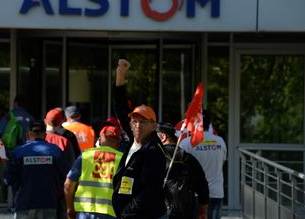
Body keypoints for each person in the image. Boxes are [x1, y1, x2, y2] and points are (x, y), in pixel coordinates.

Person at [112, 59, 167, 218]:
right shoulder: (133, 139)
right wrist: (120, 74)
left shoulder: (153, 151)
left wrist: (127, 213)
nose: (138, 125)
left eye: (143, 121)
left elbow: (149, 191)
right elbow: (121, 106)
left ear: (154, 125)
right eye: (134, 121)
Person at [4, 120, 70, 219]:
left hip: (24, 204)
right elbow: (65, 177)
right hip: (48, 203)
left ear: (27, 135)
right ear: (45, 135)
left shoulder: (17, 152)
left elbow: (7, 180)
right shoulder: (56, 151)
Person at [64, 125, 123, 219]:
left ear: (99, 140)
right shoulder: (122, 160)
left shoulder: (85, 156)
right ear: (118, 142)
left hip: (85, 212)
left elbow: (68, 184)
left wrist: (70, 208)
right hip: (111, 212)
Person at [180, 110, 227, 219]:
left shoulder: (186, 143)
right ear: (209, 123)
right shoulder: (220, 141)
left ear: (194, 123)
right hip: (216, 192)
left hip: (194, 195)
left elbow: (181, 169)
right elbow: (222, 162)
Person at [156, 122, 209, 219]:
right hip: (187, 213)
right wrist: (203, 212)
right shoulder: (189, 158)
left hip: (160, 212)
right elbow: (203, 187)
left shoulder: (154, 157)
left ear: (163, 137)